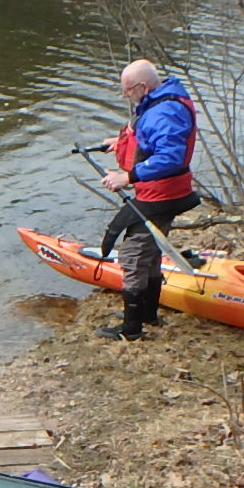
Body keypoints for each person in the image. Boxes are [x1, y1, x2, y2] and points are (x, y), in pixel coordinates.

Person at [95, 59, 199, 341]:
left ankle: (131, 329)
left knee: (133, 257)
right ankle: (147, 314)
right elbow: (149, 141)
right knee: (151, 253)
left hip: (162, 194)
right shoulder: (158, 99)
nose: (127, 96)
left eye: (128, 91)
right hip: (159, 191)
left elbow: (169, 157)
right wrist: (119, 144)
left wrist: (126, 178)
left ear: (142, 86)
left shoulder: (165, 111)